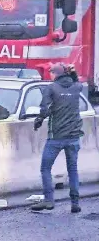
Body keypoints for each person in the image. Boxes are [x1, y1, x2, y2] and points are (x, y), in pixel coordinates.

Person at [31, 62, 84, 213]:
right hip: (74, 136)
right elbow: (77, 82)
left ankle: (49, 201)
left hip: (56, 137)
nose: (50, 75)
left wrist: (38, 120)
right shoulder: (76, 87)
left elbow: (44, 109)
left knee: (45, 168)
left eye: (51, 72)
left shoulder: (51, 88)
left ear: (55, 74)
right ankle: (75, 203)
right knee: (72, 169)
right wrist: (73, 73)